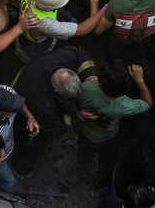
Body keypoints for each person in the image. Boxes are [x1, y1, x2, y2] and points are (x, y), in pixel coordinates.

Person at [11, 46, 96, 176]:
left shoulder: (67, 57)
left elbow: (81, 53)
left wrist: (91, 76)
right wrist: (77, 116)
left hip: (34, 68)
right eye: (68, 97)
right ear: (56, 91)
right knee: (32, 142)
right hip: (21, 97)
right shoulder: (42, 102)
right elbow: (53, 128)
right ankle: (21, 169)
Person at [76, 59, 153, 185]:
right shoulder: (124, 105)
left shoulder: (86, 87)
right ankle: (102, 182)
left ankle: (82, 170)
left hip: (85, 131)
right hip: (107, 136)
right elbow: (148, 103)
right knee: (107, 159)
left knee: (84, 153)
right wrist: (139, 80)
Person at [16, 0, 105, 63]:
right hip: (35, 50)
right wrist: (104, 5)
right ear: (52, 7)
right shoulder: (44, 24)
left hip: (25, 37)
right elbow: (82, 30)